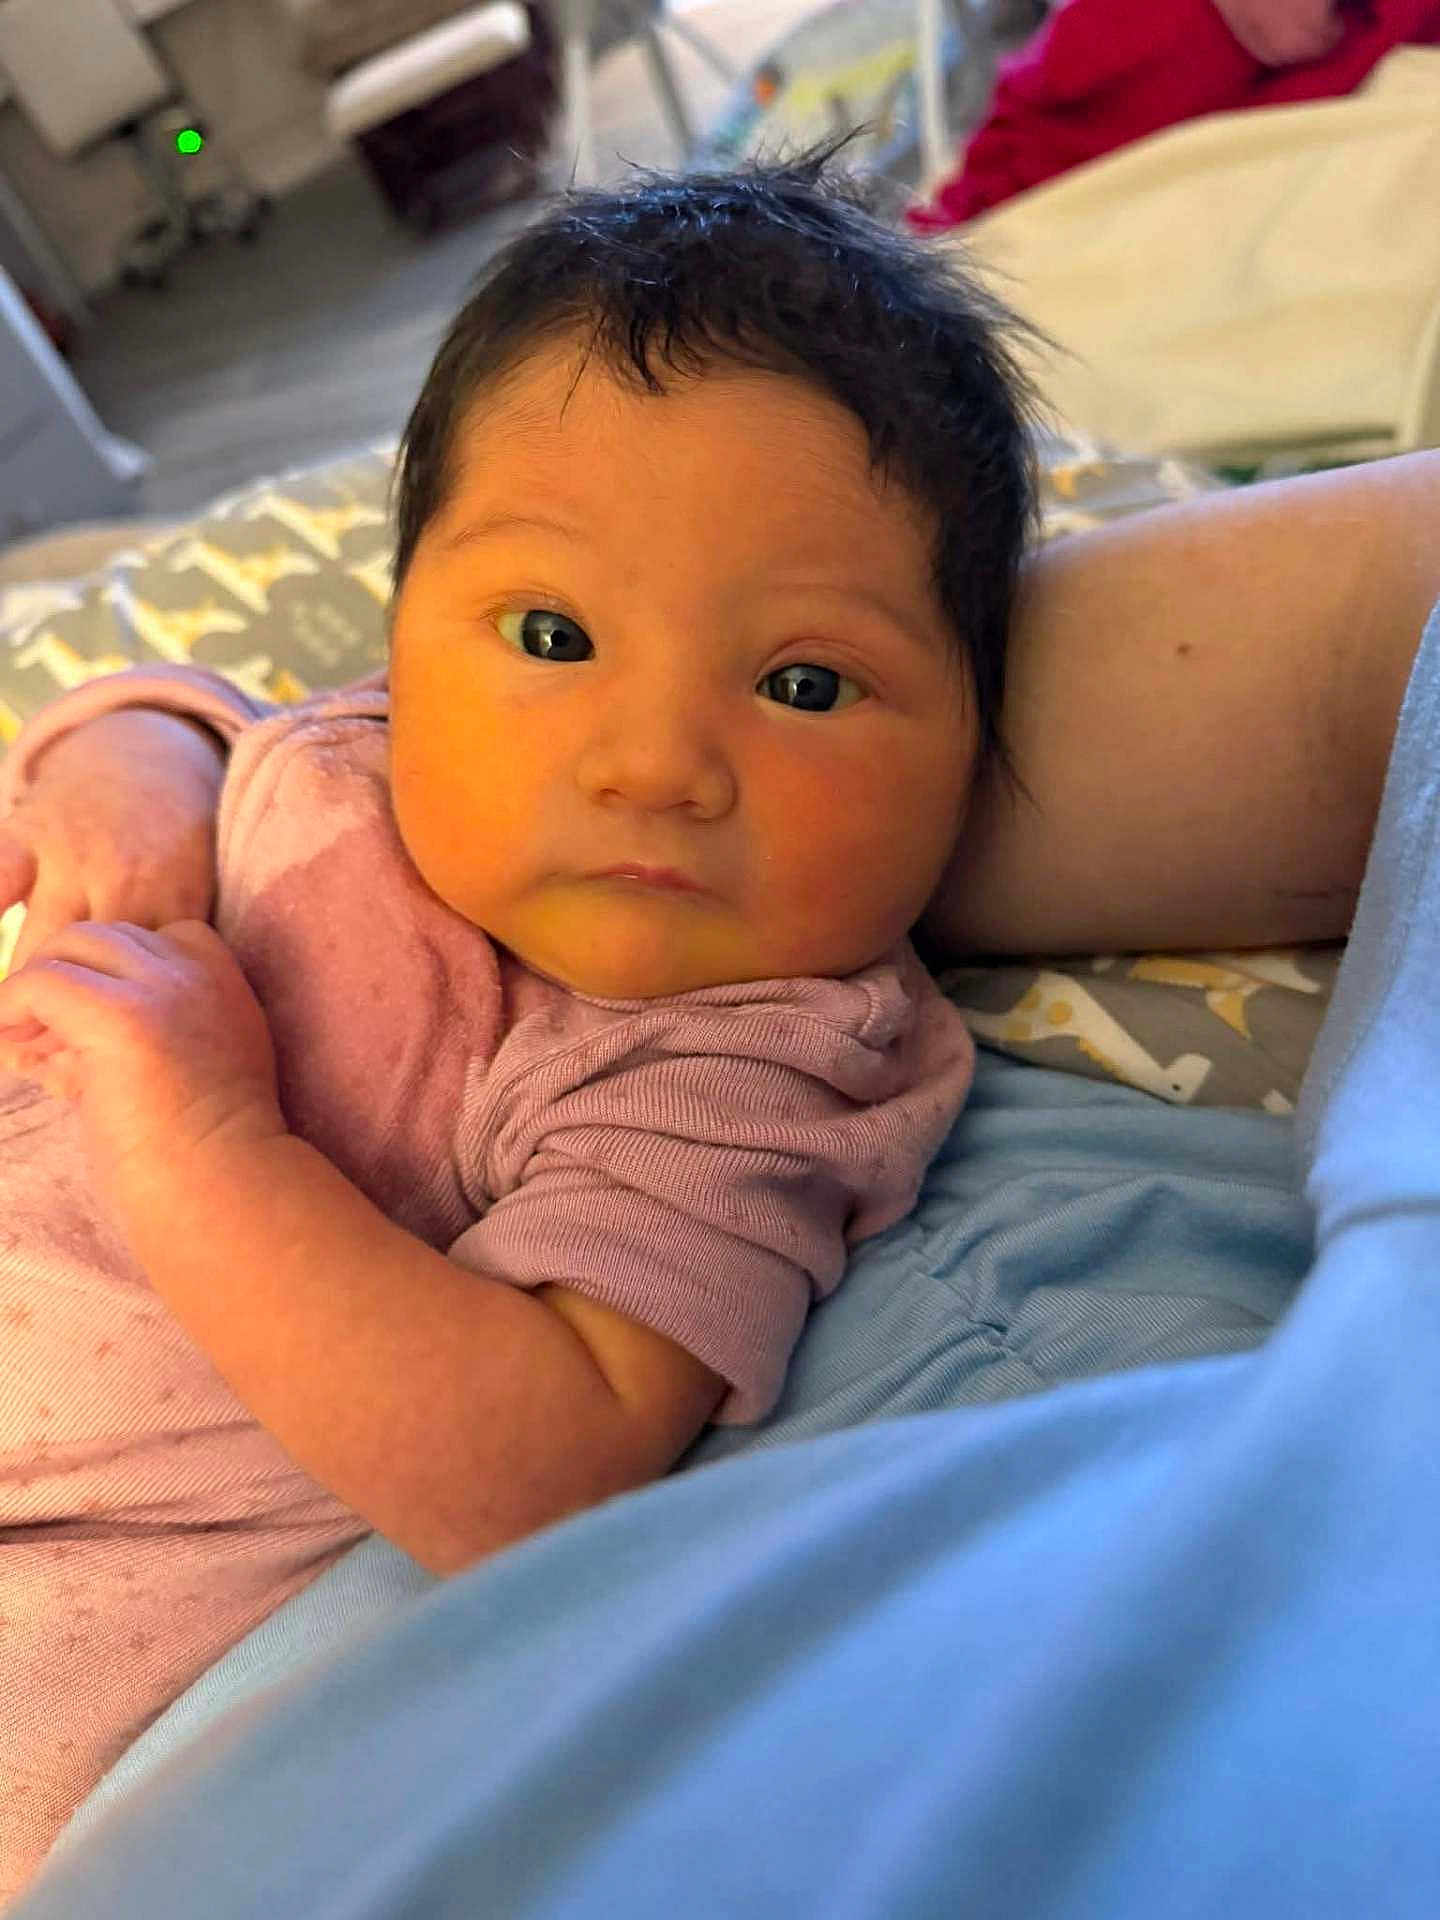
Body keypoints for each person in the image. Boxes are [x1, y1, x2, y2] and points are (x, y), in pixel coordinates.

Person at [0, 128, 1042, 1901]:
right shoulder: (380, 755)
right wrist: (137, 759)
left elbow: (541, 1469)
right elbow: (204, 707)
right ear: (405, 628)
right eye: (551, 635)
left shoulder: (752, 1052)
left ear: (974, 756)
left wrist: (207, 1135)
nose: (650, 766)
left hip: (91, 1592)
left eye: (803, 682)